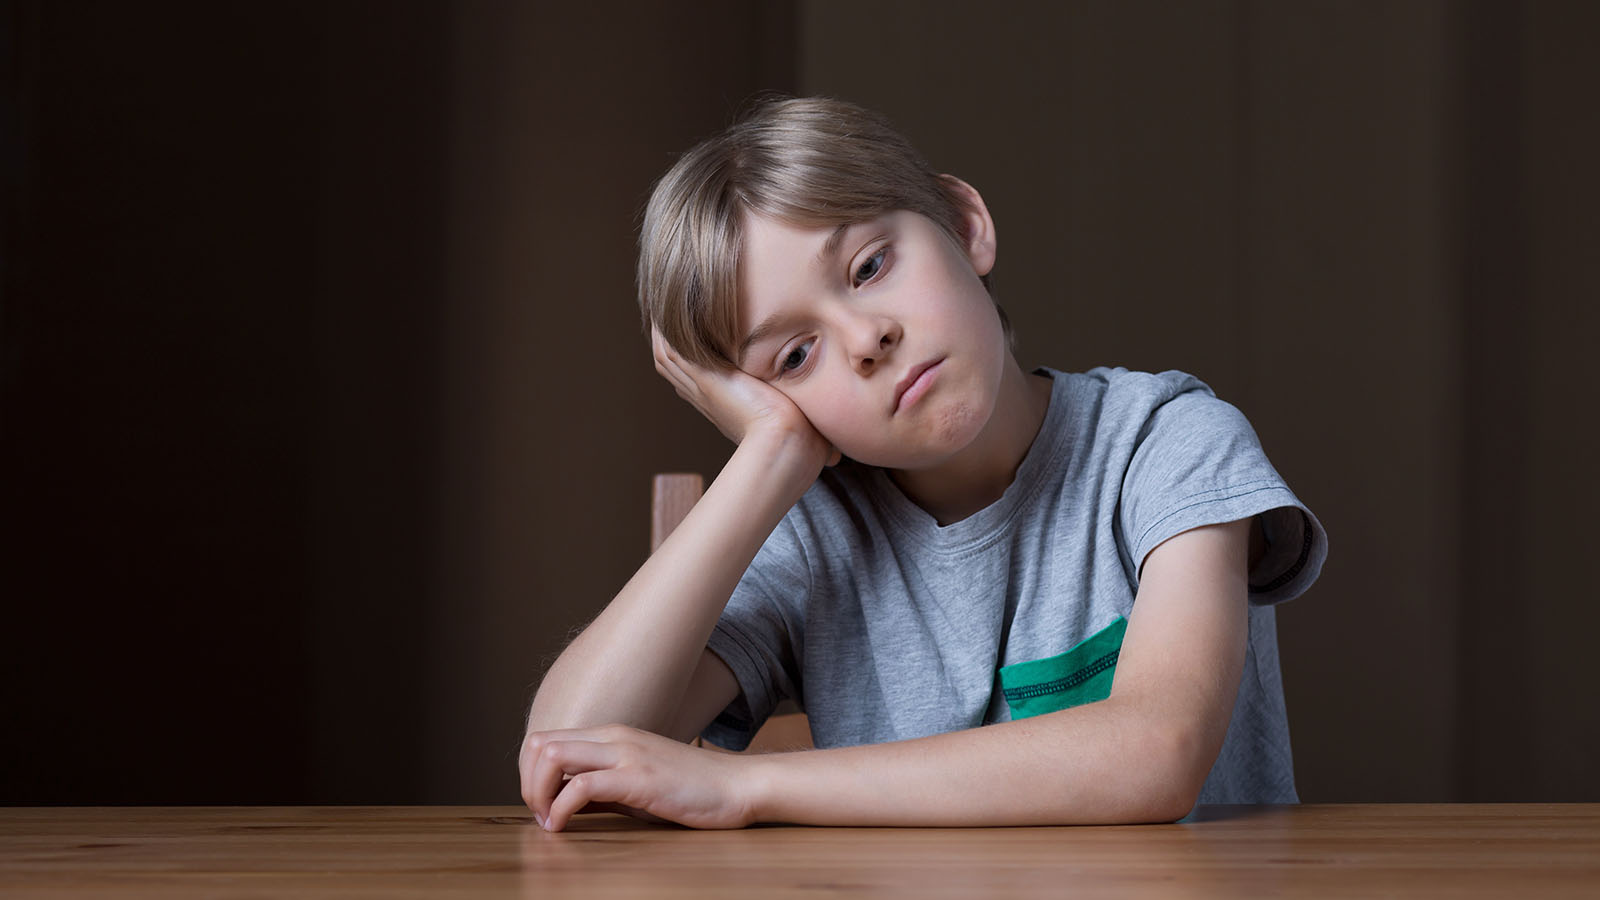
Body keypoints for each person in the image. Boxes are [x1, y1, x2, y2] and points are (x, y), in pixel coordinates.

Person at [519, 96, 1327, 832]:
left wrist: (749, 785)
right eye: (797, 355)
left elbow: (1157, 753)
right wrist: (772, 455)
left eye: (870, 266)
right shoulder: (814, 535)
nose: (867, 339)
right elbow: (568, 752)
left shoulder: (1168, 441)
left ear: (964, 223)